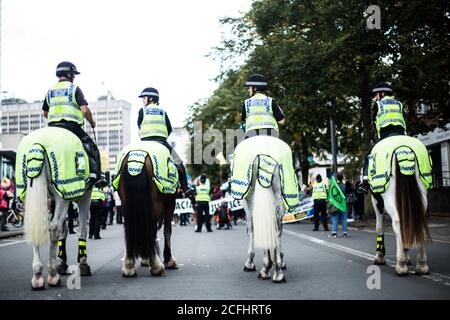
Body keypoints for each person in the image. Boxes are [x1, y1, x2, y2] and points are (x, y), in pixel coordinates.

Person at [42, 61, 106, 187]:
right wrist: (92, 122)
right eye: (73, 74)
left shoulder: (50, 91)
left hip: (53, 128)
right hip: (71, 127)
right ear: (69, 74)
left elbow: (45, 113)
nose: (74, 77)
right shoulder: (73, 89)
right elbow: (85, 110)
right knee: (92, 148)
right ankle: (95, 175)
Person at [137, 87, 195, 202]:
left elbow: (139, 125)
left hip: (144, 143)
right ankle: (185, 188)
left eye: (144, 98)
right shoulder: (163, 112)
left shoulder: (142, 111)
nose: (142, 100)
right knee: (179, 164)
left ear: (150, 98)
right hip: (161, 142)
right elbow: (168, 128)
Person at [359, 82, 407, 194]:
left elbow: (374, 124)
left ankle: (364, 184)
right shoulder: (399, 104)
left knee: (367, 157)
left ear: (382, 93)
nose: (375, 97)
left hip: (386, 135)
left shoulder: (378, 105)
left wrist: (372, 138)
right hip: (402, 135)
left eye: (376, 95)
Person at [242, 74, 286, 138]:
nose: (248, 90)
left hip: (252, 135)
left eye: (249, 87)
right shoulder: (271, 101)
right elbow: (282, 121)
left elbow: (243, 120)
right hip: (271, 135)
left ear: (255, 88)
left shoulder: (246, 103)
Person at [328, 173, 348, 238]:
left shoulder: (335, 186)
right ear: (342, 178)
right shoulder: (345, 186)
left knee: (335, 218)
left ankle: (334, 233)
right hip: (343, 204)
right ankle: (344, 233)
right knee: (344, 219)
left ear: (337, 178)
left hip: (336, 204)